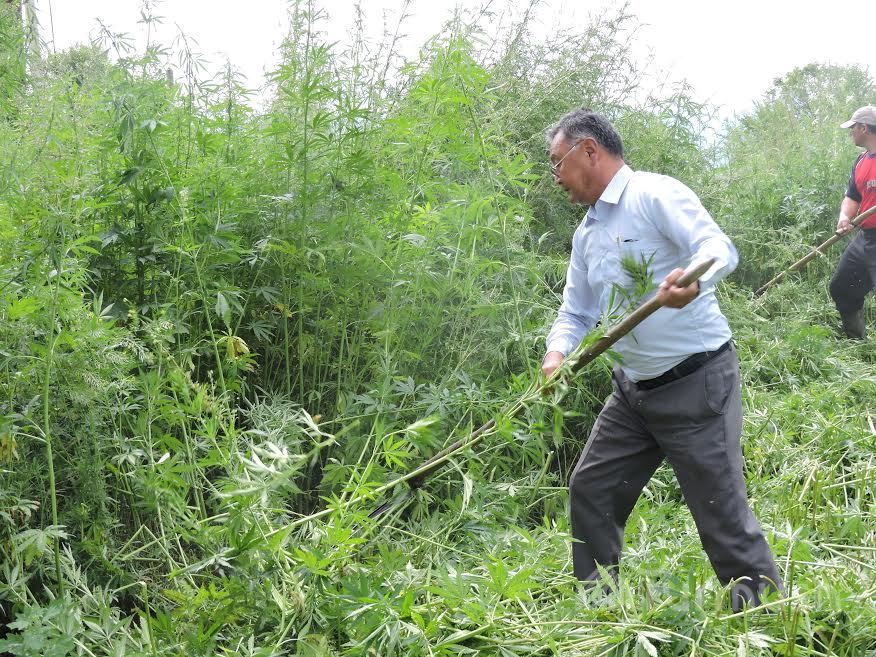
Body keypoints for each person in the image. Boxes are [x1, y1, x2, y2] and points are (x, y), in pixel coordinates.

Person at [542, 107, 781, 611]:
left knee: (718, 509)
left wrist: (693, 280)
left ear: (590, 150)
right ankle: (600, 604)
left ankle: (763, 613)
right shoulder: (587, 233)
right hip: (633, 391)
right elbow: (577, 310)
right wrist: (557, 351)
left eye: (557, 161)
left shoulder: (653, 194)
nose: (555, 175)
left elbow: (717, 248)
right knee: (593, 488)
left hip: (696, 382)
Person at [830, 105, 876, 339]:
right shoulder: (860, 162)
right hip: (866, 238)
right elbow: (852, 196)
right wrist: (845, 217)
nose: (851, 132)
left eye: (853, 128)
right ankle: (857, 342)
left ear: (864, 128)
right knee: (842, 287)